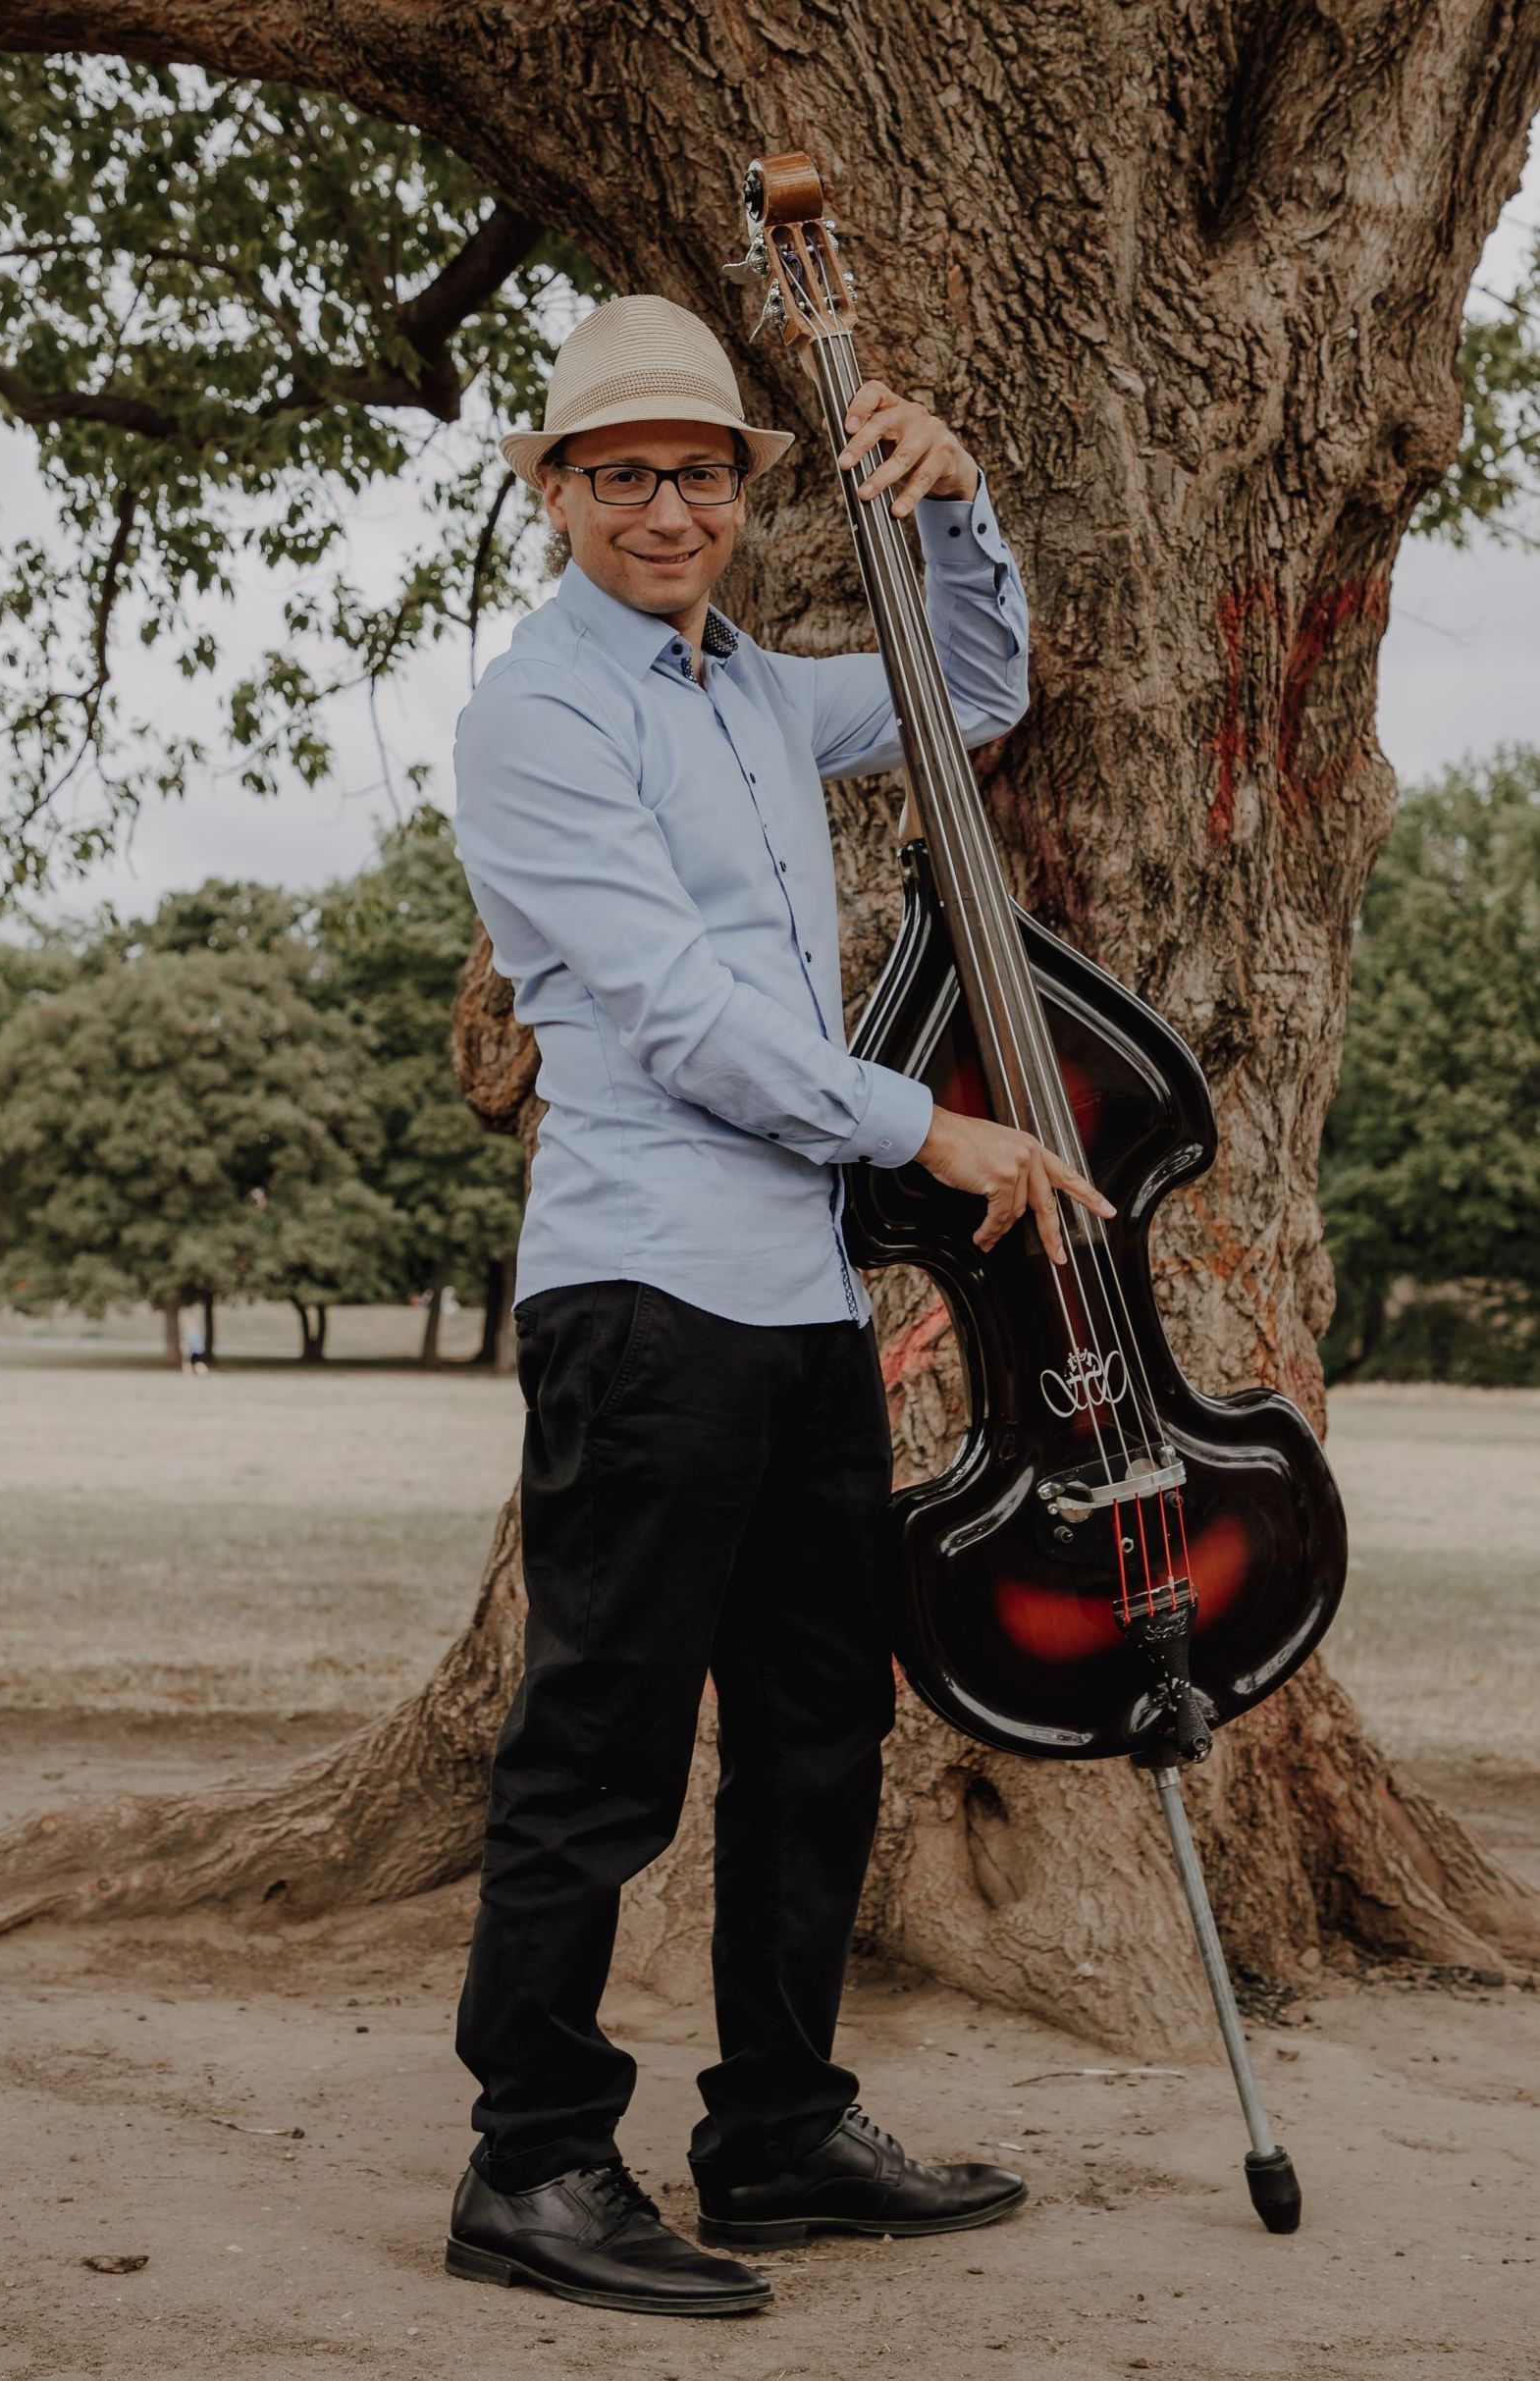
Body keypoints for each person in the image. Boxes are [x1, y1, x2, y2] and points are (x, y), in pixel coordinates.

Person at [446, 293, 1113, 2319]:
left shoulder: (747, 689)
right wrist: (939, 1133)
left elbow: (963, 690)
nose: (668, 506)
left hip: (796, 1301)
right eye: (622, 472)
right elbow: (674, 1015)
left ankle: (774, 2128)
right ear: (551, 490)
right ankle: (534, 2160)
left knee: (823, 1727)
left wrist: (955, 507)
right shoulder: (537, 716)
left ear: (745, 488)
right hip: (643, 1292)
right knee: (602, 1744)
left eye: (704, 470)